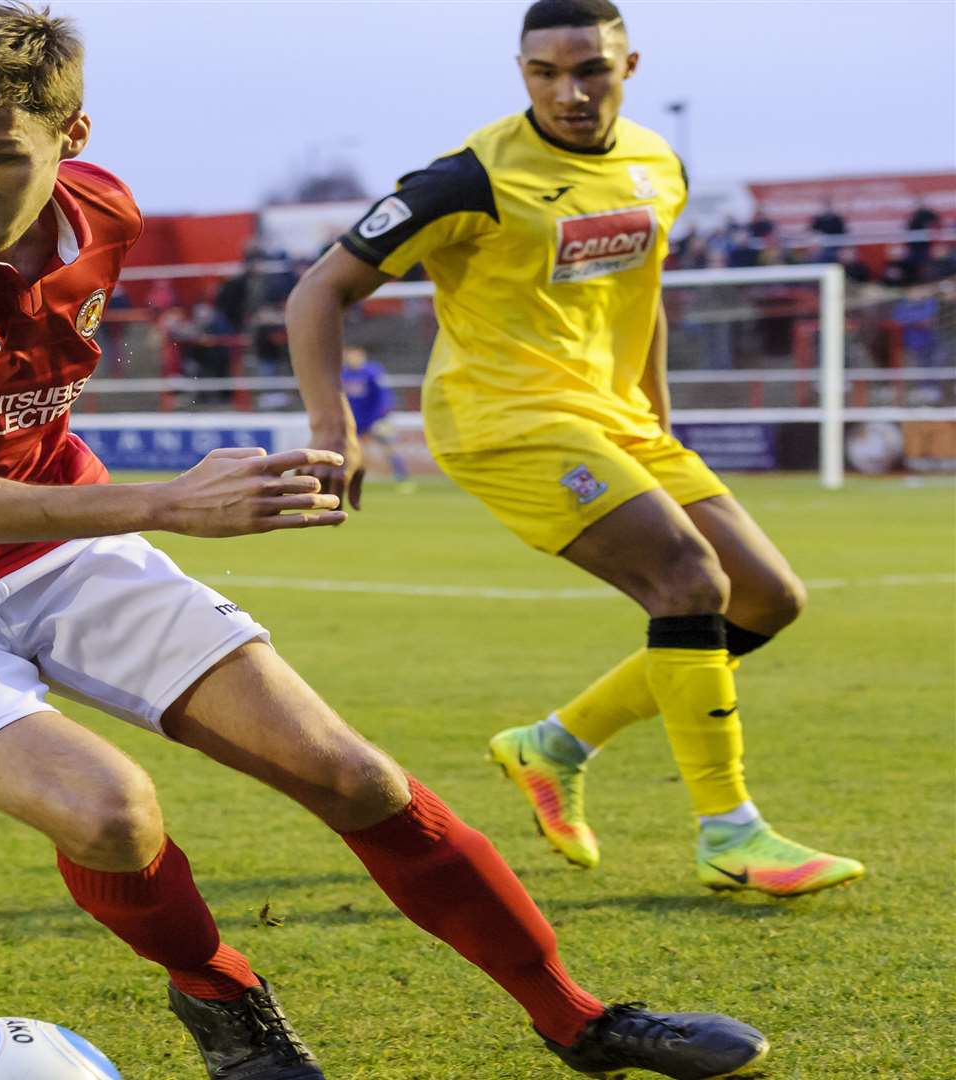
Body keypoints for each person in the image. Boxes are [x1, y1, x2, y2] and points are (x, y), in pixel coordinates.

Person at [0, 5, 766, 1078]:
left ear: (70, 135)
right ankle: (231, 1013)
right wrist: (167, 504)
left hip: (51, 551)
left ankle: (577, 1020)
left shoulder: (104, 214)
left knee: (353, 777)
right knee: (110, 813)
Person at [287, 0, 862, 900]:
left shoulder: (657, 163)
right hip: (502, 419)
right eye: (544, 72)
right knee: (690, 582)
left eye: (590, 69)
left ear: (629, 65)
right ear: (520, 72)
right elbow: (318, 291)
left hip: (613, 415)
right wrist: (335, 430)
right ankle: (730, 832)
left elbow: (646, 292)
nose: (570, 91)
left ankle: (551, 747)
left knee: (767, 597)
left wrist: (658, 416)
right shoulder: (466, 178)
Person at [340, 345, 411, 488]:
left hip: (377, 418)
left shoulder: (372, 372)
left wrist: (381, 415)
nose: (350, 358)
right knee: (352, 449)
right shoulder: (344, 374)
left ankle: (401, 475)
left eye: (354, 355)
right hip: (355, 419)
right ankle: (352, 477)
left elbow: (384, 396)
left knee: (388, 446)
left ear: (361, 355)